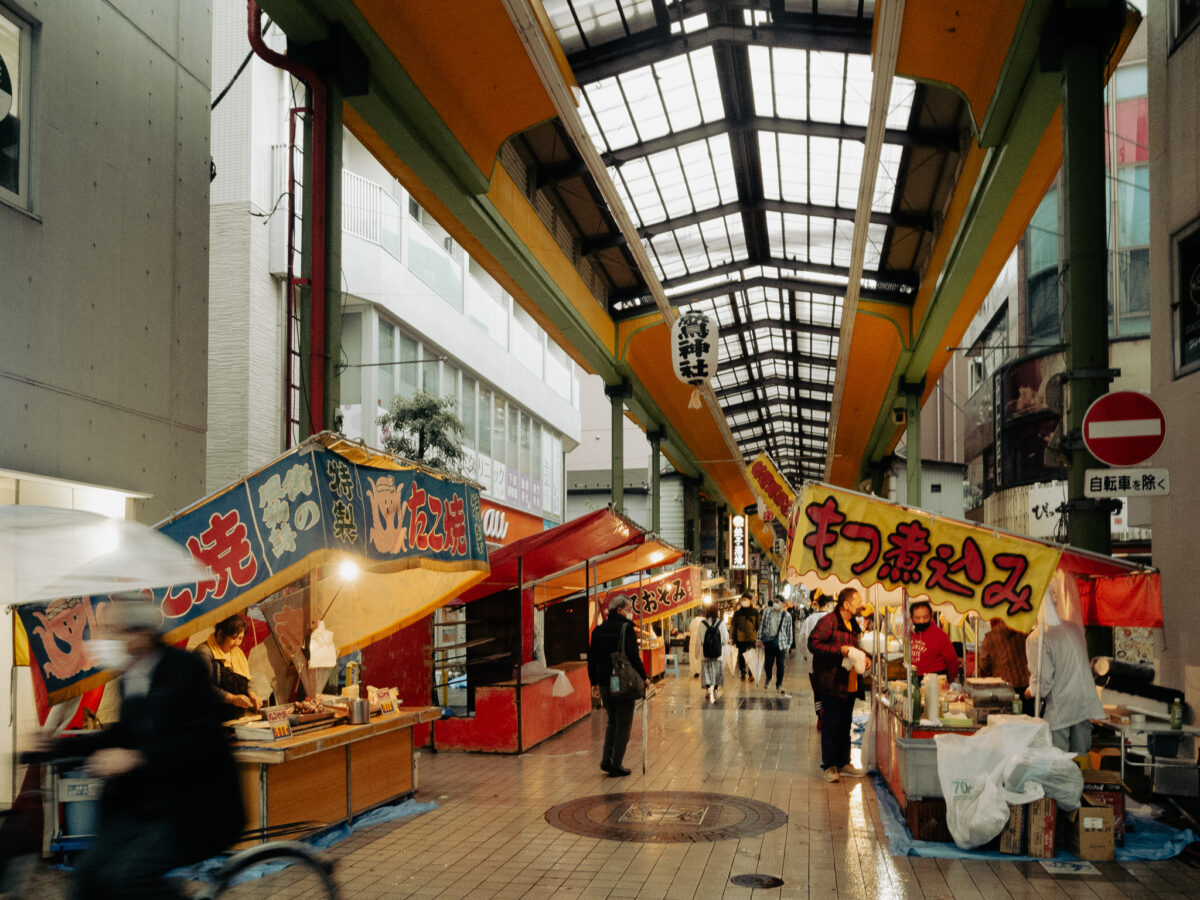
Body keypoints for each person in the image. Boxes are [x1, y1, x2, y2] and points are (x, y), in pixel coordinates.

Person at [37, 597, 244, 899]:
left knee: (122, 877)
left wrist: (136, 757)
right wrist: (54, 748)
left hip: (198, 806)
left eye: (117, 631)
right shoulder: (130, 677)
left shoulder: (185, 669)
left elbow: (202, 741)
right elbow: (121, 735)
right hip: (150, 807)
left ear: (141, 635)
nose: (110, 638)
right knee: (89, 872)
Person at [809, 587, 872, 783]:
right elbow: (813, 643)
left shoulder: (852, 623)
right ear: (846, 604)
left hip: (850, 682)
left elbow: (855, 647)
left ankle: (844, 762)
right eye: (857, 601)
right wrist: (840, 650)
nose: (860, 604)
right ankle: (829, 766)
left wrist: (865, 657)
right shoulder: (828, 621)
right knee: (831, 724)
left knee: (845, 724)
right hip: (832, 681)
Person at [587, 596, 648, 777]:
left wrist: (594, 681)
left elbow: (592, 659)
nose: (632, 612)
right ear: (620, 610)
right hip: (622, 683)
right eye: (629, 609)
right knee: (624, 724)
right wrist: (644, 677)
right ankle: (616, 764)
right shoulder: (626, 629)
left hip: (605, 682)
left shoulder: (598, 630)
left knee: (612, 721)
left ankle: (607, 759)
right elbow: (633, 657)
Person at [1026, 615, 1104, 753]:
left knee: (1060, 765)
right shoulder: (1073, 628)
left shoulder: (1036, 638)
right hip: (1084, 702)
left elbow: (1043, 683)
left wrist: (1031, 691)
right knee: (1080, 761)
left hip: (1060, 707)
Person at [194, 613, 261, 719]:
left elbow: (247, 676)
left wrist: (252, 694)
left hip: (235, 716)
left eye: (241, 638)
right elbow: (204, 688)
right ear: (221, 634)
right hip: (211, 717)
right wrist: (232, 698)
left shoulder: (236, 652)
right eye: (234, 638)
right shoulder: (204, 652)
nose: (238, 643)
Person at [978, 617, 1031, 712]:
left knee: (1005, 721)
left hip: (1002, 689)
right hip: (1025, 687)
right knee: (1028, 722)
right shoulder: (1025, 632)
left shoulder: (990, 637)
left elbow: (984, 664)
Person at [799, 592, 835, 727]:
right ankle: (828, 714)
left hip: (812, 662)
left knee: (817, 690)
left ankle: (820, 715)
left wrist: (806, 654)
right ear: (829, 604)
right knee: (828, 689)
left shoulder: (809, 620)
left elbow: (801, 640)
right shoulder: (833, 619)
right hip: (830, 661)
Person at [909, 601, 960, 684]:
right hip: (914, 679)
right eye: (917, 618)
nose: (921, 621)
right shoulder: (909, 635)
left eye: (925, 617)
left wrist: (949, 682)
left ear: (931, 616)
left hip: (936, 680)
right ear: (911, 618)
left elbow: (953, 662)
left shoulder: (941, 635)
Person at [757, 594, 793, 694]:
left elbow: (789, 631)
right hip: (769, 642)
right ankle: (769, 676)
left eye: (777, 602)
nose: (775, 603)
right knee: (768, 664)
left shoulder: (787, 616)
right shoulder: (767, 612)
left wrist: (788, 646)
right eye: (774, 601)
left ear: (783, 604)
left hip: (781, 644)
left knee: (781, 665)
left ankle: (779, 685)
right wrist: (759, 639)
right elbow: (762, 626)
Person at [698, 606, 729, 702]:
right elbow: (725, 640)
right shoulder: (721, 623)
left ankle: (707, 689)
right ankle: (715, 689)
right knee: (717, 672)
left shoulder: (702, 624)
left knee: (706, 671)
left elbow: (698, 639)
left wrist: (695, 653)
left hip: (705, 653)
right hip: (717, 654)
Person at [730, 595, 760, 681]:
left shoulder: (755, 612)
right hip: (741, 638)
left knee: (751, 656)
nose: (743, 601)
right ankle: (743, 672)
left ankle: (751, 673)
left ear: (750, 601)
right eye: (742, 600)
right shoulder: (737, 613)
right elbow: (733, 625)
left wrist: (759, 638)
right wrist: (732, 637)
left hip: (752, 638)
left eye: (745, 599)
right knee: (741, 657)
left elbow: (759, 625)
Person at [688, 610, 707, 681]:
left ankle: (695, 671)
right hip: (702, 641)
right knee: (701, 655)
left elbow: (690, 630)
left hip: (693, 642)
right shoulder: (705, 621)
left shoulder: (693, 621)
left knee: (694, 656)